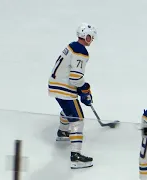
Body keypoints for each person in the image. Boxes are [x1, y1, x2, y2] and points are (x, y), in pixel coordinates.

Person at [48, 23, 97, 169]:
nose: (92, 40)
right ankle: (75, 156)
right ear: (86, 36)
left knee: (68, 110)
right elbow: (75, 79)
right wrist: (85, 88)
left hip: (55, 83)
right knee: (77, 118)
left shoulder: (71, 46)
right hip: (64, 88)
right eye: (91, 37)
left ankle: (63, 131)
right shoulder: (80, 51)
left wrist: (82, 89)